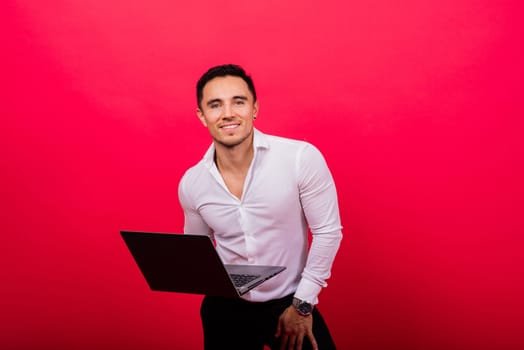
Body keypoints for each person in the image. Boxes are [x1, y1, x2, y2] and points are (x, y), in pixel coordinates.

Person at [178, 64, 343, 350]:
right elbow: (197, 248)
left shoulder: (300, 158)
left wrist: (302, 306)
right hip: (225, 309)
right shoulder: (192, 182)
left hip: (291, 301)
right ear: (202, 116)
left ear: (254, 108)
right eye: (215, 105)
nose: (228, 113)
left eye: (238, 102)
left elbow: (328, 233)